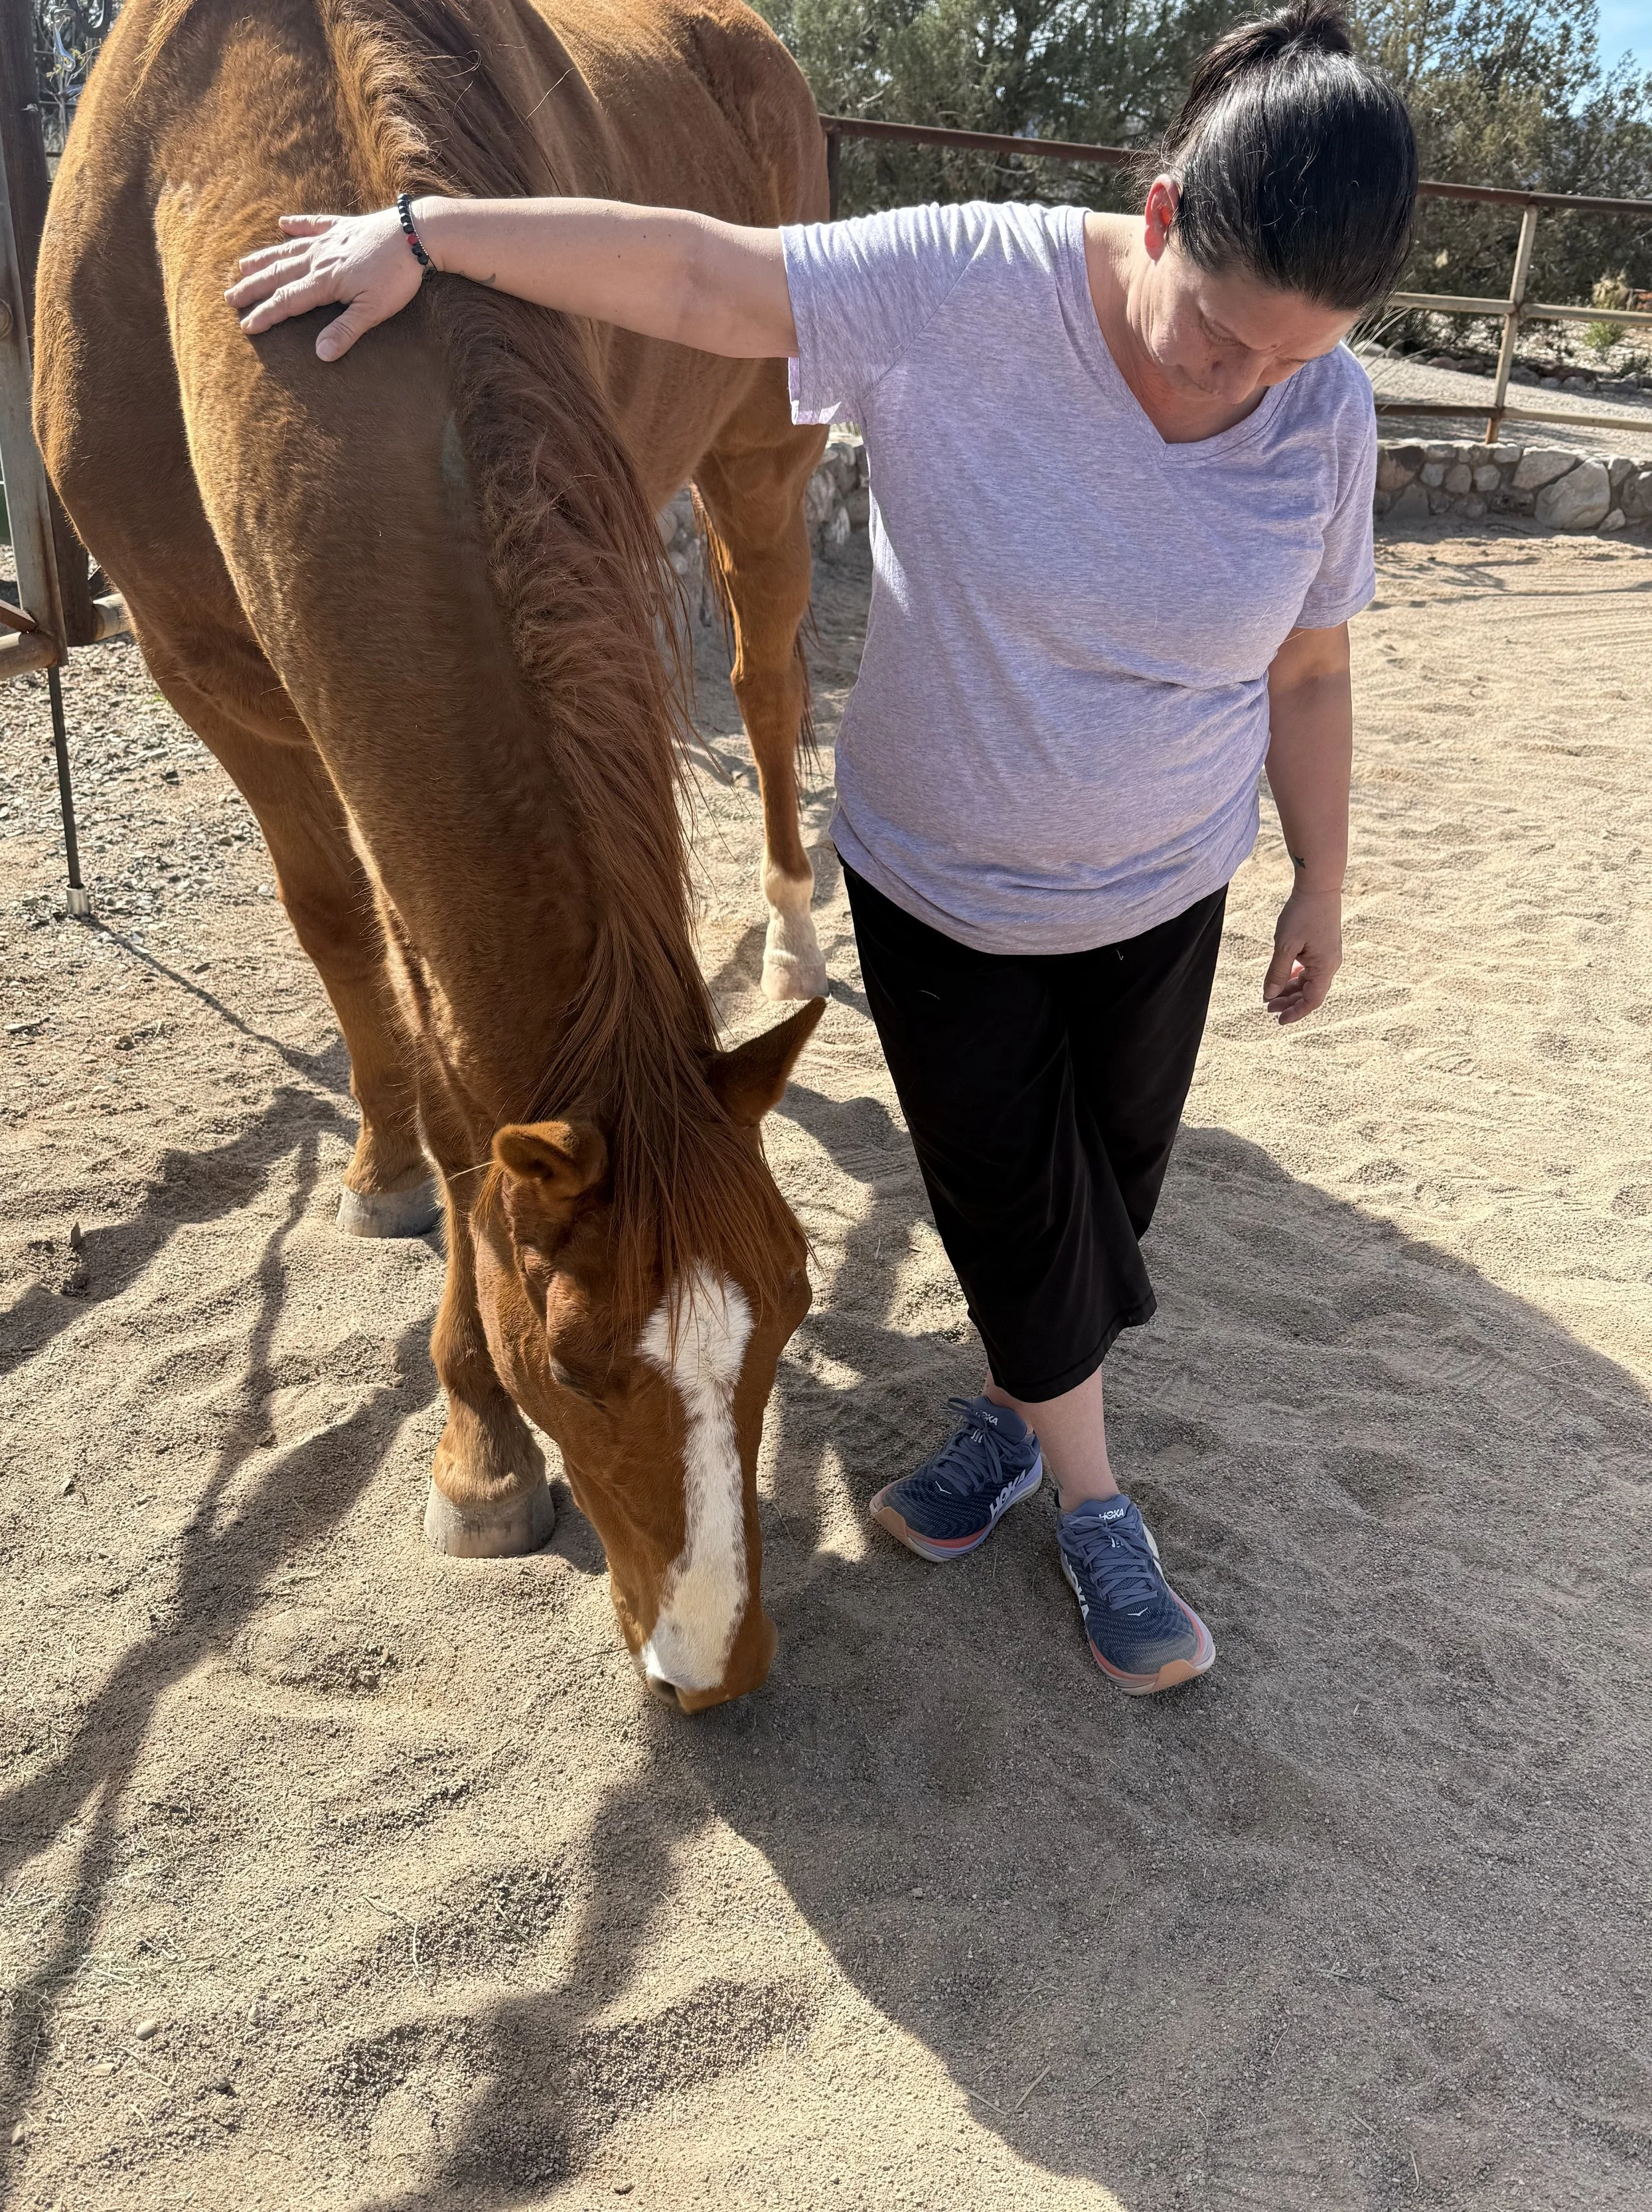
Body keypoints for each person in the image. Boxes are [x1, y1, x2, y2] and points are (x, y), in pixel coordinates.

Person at [228, 0, 1417, 1698]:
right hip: (946, 882)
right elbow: (712, 276)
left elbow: (1308, 664)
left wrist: (1318, 872)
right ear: (1159, 215)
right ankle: (1093, 1506)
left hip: (1165, 886)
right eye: (1223, 335)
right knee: (1013, 1201)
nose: (1244, 384)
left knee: (1095, 1197)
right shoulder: (971, 284)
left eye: (1298, 356)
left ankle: (1009, 1429)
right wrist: (428, 234)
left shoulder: (1324, 416)